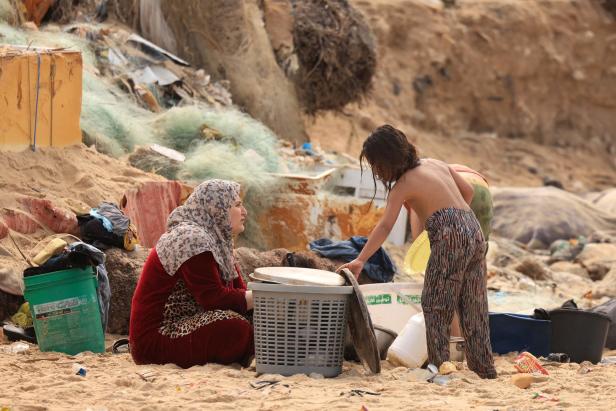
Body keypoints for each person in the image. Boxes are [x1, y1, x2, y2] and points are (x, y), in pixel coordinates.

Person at [338, 125, 496, 379]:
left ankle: (440, 366)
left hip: (449, 234)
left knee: (435, 304)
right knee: (473, 304)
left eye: (377, 166)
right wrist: (459, 221)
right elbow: (468, 191)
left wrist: (360, 259)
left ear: (388, 160)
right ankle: (485, 369)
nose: (377, 173)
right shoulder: (436, 163)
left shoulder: (403, 185)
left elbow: (386, 226)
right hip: (474, 230)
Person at [129, 179, 254, 368]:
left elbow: (239, 293)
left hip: (189, 325)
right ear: (217, 208)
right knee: (237, 329)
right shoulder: (191, 239)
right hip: (159, 336)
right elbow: (213, 298)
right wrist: (263, 298)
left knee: (257, 321)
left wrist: (261, 302)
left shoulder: (219, 242)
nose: (244, 212)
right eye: (237, 205)